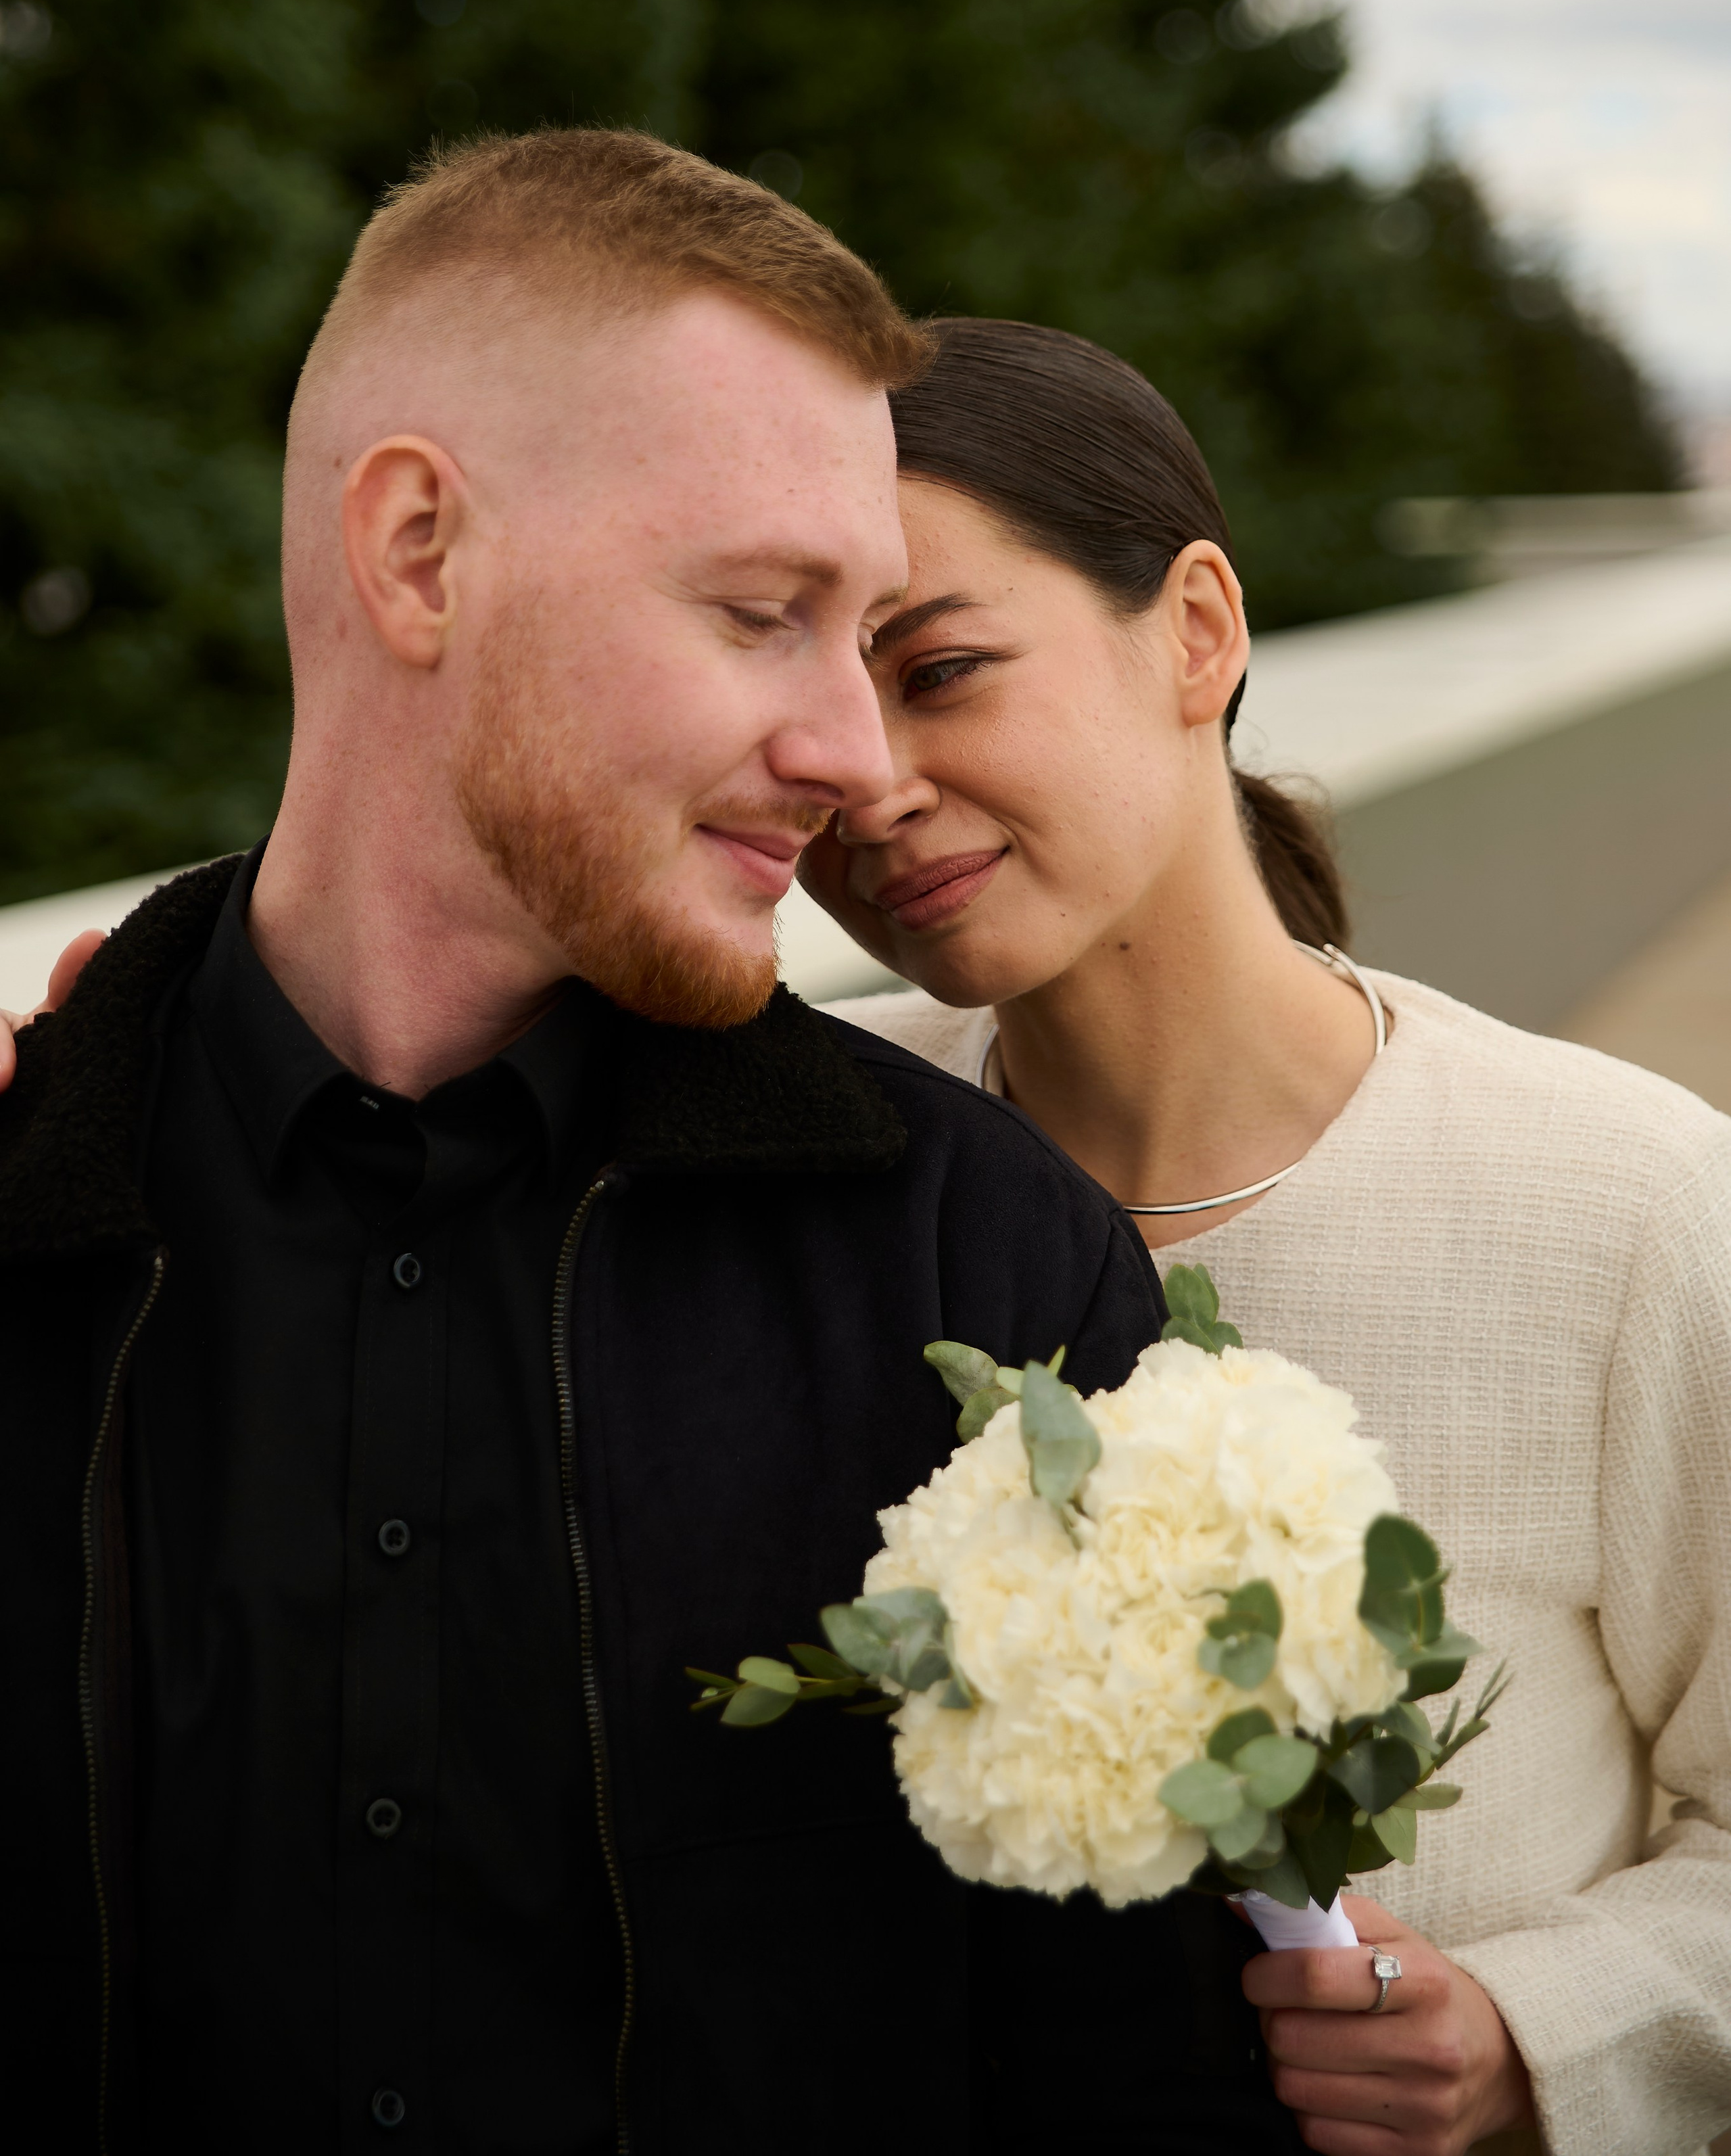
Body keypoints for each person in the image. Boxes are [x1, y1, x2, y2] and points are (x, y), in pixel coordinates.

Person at [0, 144, 1298, 2155]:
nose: (859, 760)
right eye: (765, 614)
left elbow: (1131, 2094)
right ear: (420, 554)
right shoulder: (27, 1199)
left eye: (881, 638)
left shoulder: (991, 1281)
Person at [796, 317, 1731, 2156]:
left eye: (944, 667)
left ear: (1200, 631)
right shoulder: (807, 1182)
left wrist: (1531, 2039)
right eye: (810, 705)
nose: (869, 781)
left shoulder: (1626, 1207)